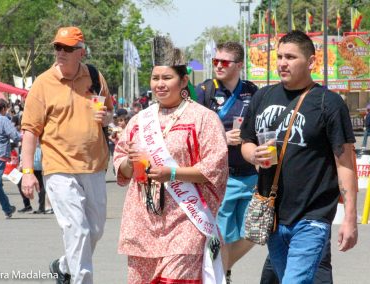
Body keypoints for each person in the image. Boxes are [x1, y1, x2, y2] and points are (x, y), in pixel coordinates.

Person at [240, 30, 358, 283]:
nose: (282, 62)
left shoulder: (329, 103)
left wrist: (350, 219)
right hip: (273, 214)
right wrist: (254, 155)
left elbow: (345, 163)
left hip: (312, 217)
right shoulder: (263, 96)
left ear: (311, 62)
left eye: (291, 57)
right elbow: (246, 141)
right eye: (280, 56)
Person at [113, 36, 228, 284]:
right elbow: (120, 164)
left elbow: (215, 167)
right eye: (156, 78)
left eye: (167, 78)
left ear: (184, 80)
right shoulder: (139, 120)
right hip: (141, 220)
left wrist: (172, 173)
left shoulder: (203, 119)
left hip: (186, 219)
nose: (160, 84)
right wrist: (129, 162)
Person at [20, 26, 113, 284]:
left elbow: (109, 113)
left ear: (80, 52)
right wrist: (28, 173)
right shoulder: (43, 84)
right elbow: (29, 132)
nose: (60, 52)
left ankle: (63, 265)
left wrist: (106, 117)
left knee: (94, 230)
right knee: (78, 229)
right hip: (58, 167)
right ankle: (80, 280)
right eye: (57, 47)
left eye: (67, 48)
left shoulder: (95, 76)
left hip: (94, 166)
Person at [195, 41, 258, 282]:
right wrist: (222, 135)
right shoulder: (204, 91)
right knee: (221, 235)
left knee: (254, 232)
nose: (218, 66)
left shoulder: (252, 91)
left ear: (239, 65)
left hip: (252, 174)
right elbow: (192, 129)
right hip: (221, 176)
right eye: (215, 62)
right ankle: (220, 275)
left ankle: (220, 271)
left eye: (224, 62)